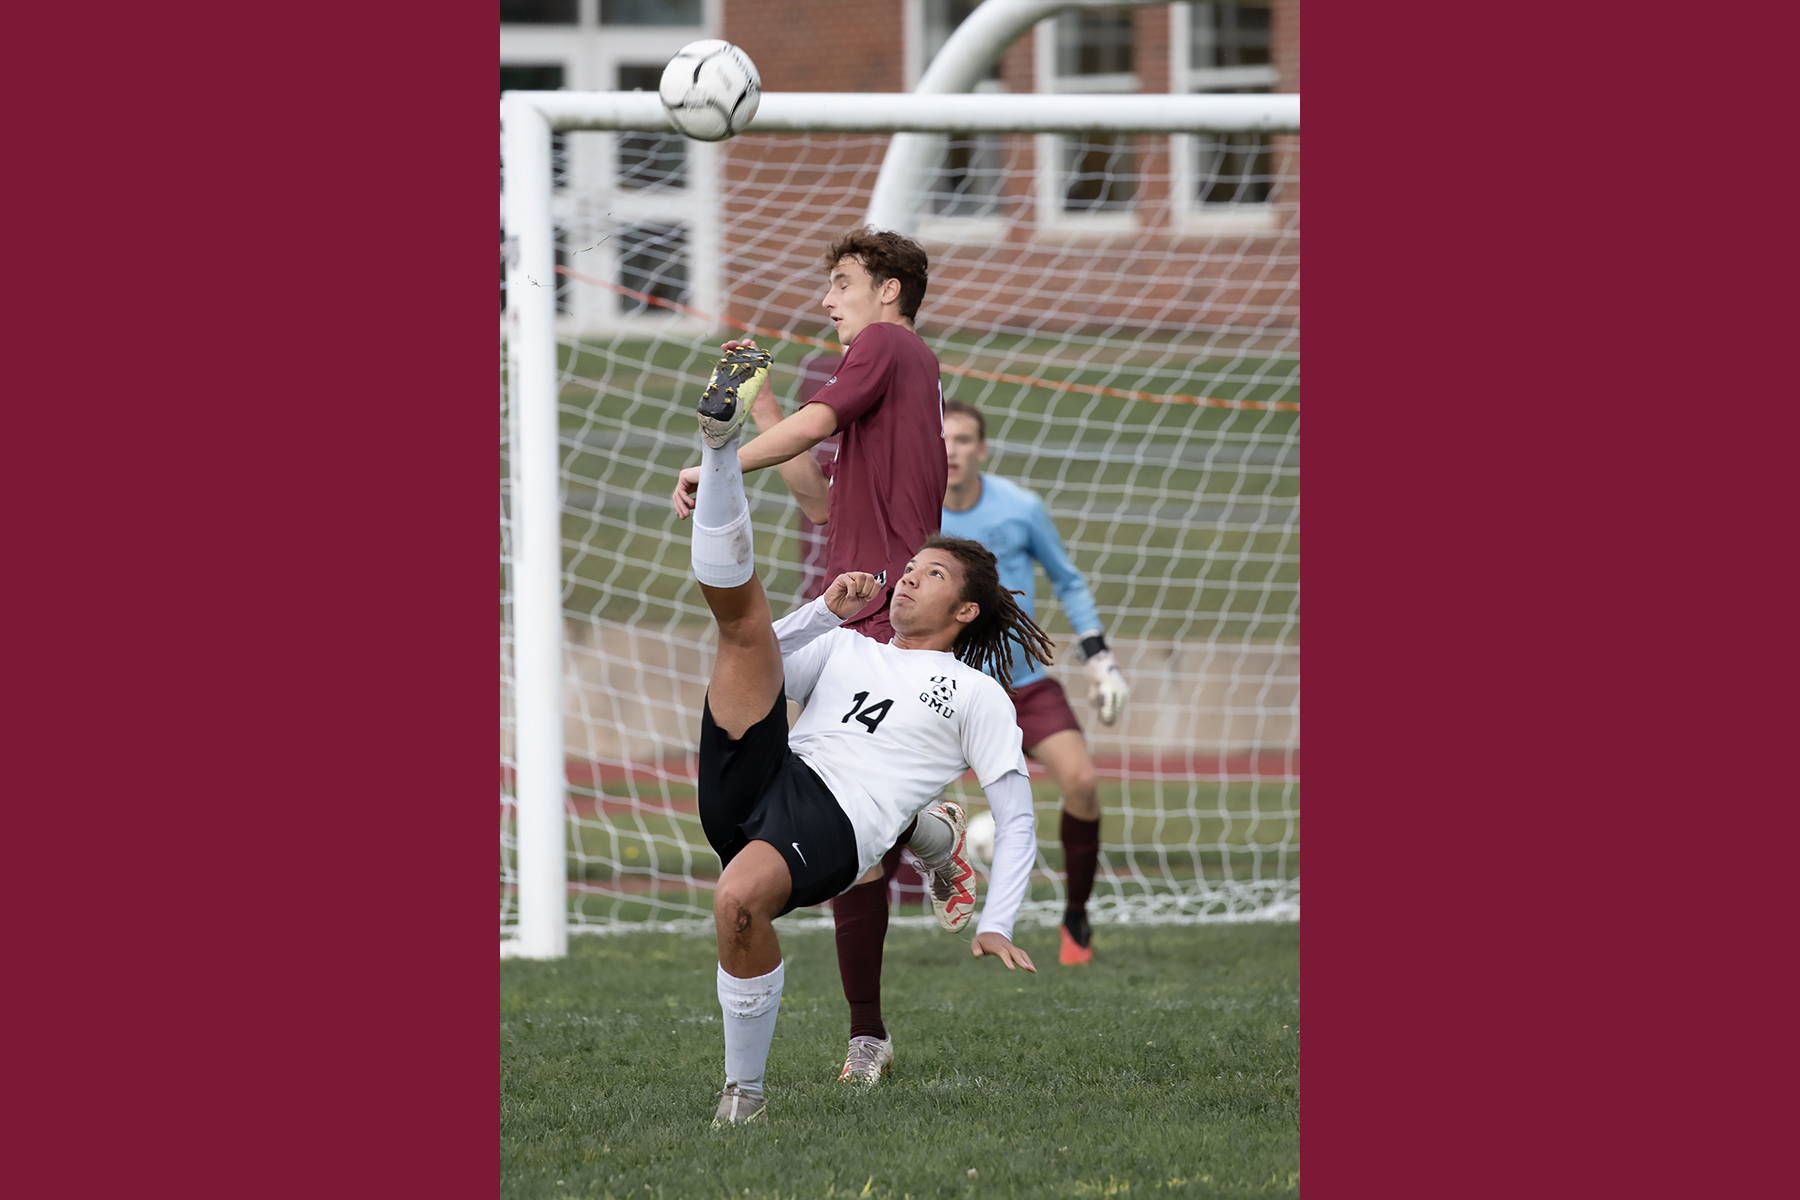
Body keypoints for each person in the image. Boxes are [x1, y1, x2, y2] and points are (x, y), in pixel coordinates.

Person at [680, 373, 1049, 1124]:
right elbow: (752, 657)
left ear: (966, 609)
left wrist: (998, 921)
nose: (910, 578)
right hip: (760, 770)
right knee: (742, 629)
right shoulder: (848, 644)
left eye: (932, 574)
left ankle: (742, 1097)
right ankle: (719, 449)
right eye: (911, 569)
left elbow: (1016, 815)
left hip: (833, 817)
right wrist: (823, 610)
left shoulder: (975, 693)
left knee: (737, 904)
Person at [673, 227, 960, 1087]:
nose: (828, 299)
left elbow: (819, 421)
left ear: (888, 292)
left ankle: (866, 1034)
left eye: (841, 282)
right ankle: (930, 833)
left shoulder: (890, 343)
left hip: (888, 625)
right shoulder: (893, 374)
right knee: (835, 812)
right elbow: (816, 498)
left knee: (835, 811)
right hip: (853, 621)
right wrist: (759, 406)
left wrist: (715, 457)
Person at [939, 400, 1131, 965]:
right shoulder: (920, 513)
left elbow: (1069, 582)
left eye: (966, 439)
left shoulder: (1021, 508)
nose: (953, 450)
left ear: (983, 449)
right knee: (897, 804)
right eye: (945, 439)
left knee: (1083, 782)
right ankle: (941, 866)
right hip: (953, 693)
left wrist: (1099, 658)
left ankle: (1075, 917)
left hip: (1025, 685)